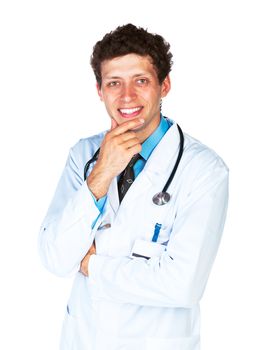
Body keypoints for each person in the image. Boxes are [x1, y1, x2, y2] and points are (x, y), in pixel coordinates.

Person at [38, 23, 229, 350]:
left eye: (141, 81)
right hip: (83, 339)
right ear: (100, 91)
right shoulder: (84, 155)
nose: (127, 96)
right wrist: (101, 174)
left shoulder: (204, 170)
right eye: (114, 83)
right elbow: (55, 257)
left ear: (164, 85)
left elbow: (182, 286)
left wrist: (91, 265)